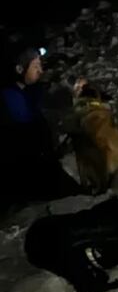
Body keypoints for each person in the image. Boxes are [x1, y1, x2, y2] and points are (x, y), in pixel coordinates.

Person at [0, 47, 81, 209]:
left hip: (42, 163)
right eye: (35, 66)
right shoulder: (10, 96)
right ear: (19, 69)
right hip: (27, 169)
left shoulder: (29, 90)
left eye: (40, 66)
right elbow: (27, 129)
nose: (40, 70)